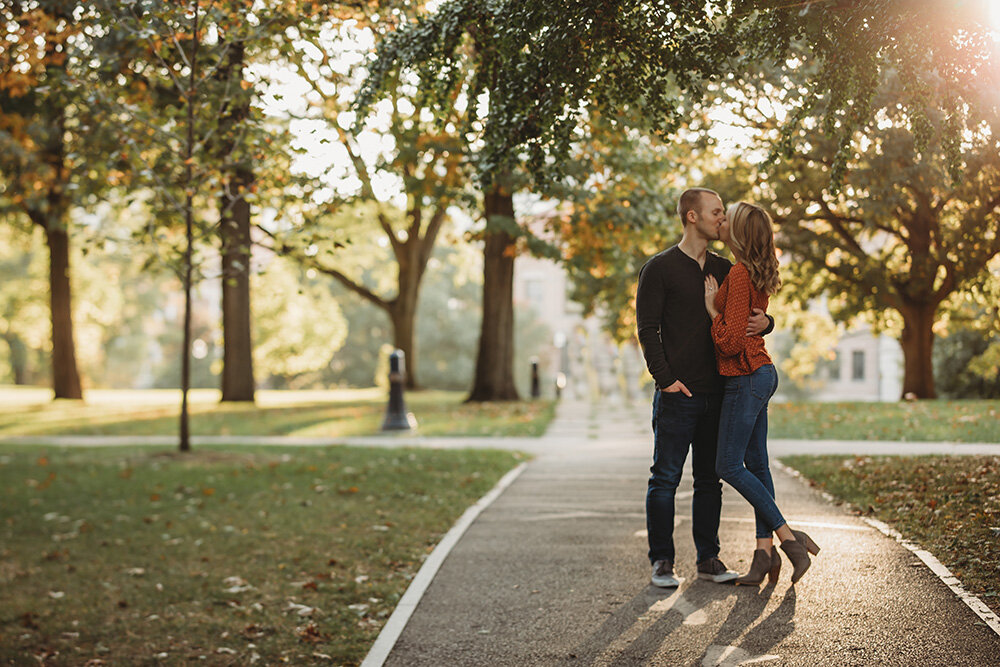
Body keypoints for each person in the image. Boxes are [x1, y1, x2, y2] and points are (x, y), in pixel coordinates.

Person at [636, 188, 773, 588]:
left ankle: (708, 559)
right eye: (715, 212)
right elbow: (648, 329)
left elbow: (749, 314)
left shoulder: (727, 268)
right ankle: (662, 561)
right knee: (665, 478)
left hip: (723, 392)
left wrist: (769, 323)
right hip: (679, 393)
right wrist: (666, 380)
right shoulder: (659, 268)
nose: (721, 219)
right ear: (692, 216)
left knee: (710, 480)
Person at [704, 201, 820, 585]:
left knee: (728, 465)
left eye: (728, 218)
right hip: (760, 373)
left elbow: (732, 342)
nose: (721, 221)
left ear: (737, 232)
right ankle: (763, 553)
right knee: (757, 466)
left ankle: (789, 540)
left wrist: (711, 311)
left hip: (747, 375)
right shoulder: (750, 271)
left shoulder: (738, 274)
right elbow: (751, 325)